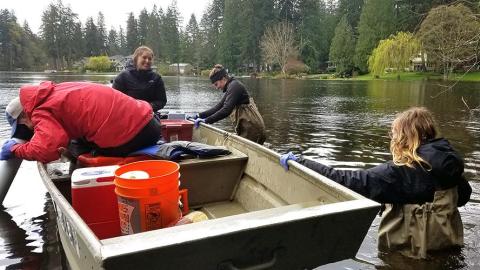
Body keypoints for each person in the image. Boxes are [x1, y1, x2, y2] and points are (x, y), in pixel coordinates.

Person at [280, 107, 472, 259]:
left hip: (411, 256)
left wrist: (301, 163)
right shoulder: (450, 166)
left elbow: (345, 180)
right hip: (447, 248)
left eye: (395, 134)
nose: (393, 138)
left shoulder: (398, 173)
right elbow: (464, 197)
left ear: (405, 138)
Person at [0, 81, 161, 163]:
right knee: (74, 140)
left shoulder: (39, 109)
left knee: (73, 147)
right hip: (151, 123)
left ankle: (77, 188)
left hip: (134, 134)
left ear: (24, 116)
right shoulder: (54, 91)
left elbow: (47, 150)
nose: (29, 129)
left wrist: (15, 149)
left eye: (24, 127)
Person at [193, 64, 266, 144]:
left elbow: (226, 110)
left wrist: (206, 120)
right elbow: (218, 107)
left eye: (216, 84)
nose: (217, 88)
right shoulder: (231, 86)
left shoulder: (235, 86)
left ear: (223, 79)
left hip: (253, 129)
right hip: (247, 127)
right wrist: (199, 115)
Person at [112, 46, 167, 112]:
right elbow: (114, 100)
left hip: (148, 114)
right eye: (144, 57)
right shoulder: (123, 77)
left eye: (150, 59)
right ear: (136, 59)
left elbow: (161, 101)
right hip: (127, 114)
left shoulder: (156, 78)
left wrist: (147, 107)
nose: (147, 61)